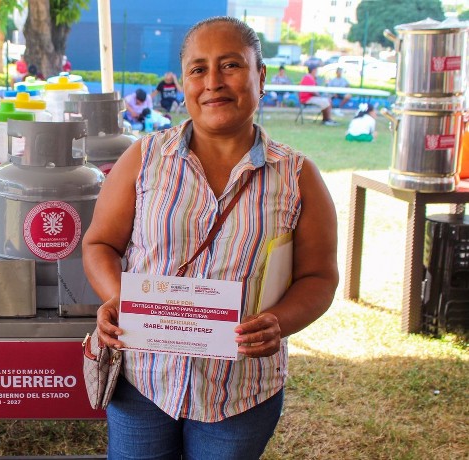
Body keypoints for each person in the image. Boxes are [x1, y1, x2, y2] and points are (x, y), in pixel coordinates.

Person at [81, 15, 338, 460]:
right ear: (183, 83)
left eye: (231, 65)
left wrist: (280, 322)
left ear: (260, 76)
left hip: (239, 391)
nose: (213, 82)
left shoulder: (298, 176)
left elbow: (319, 277)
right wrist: (119, 298)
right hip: (144, 378)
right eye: (199, 69)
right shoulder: (144, 158)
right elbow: (99, 244)